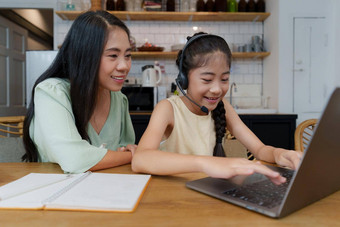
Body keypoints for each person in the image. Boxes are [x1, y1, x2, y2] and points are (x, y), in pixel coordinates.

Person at [132, 32, 302, 184]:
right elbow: (140, 159)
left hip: (206, 193)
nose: (217, 89)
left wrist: (279, 154)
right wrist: (205, 163)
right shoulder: (168, 108)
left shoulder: (223, 107)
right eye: (207, 80)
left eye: (224, 79)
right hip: (171, 196)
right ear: (184, 79)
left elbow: (259, 149)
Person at [22, 11, 136, 173]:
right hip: (53, 193)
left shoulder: (118, 99)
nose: (124, 66)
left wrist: (127, 154)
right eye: (113, 55)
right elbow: (74, 159)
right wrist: (133, 156)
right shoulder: (52, 93)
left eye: (128, 55)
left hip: (107, 191)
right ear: (85, 54)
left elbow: (126, 147)